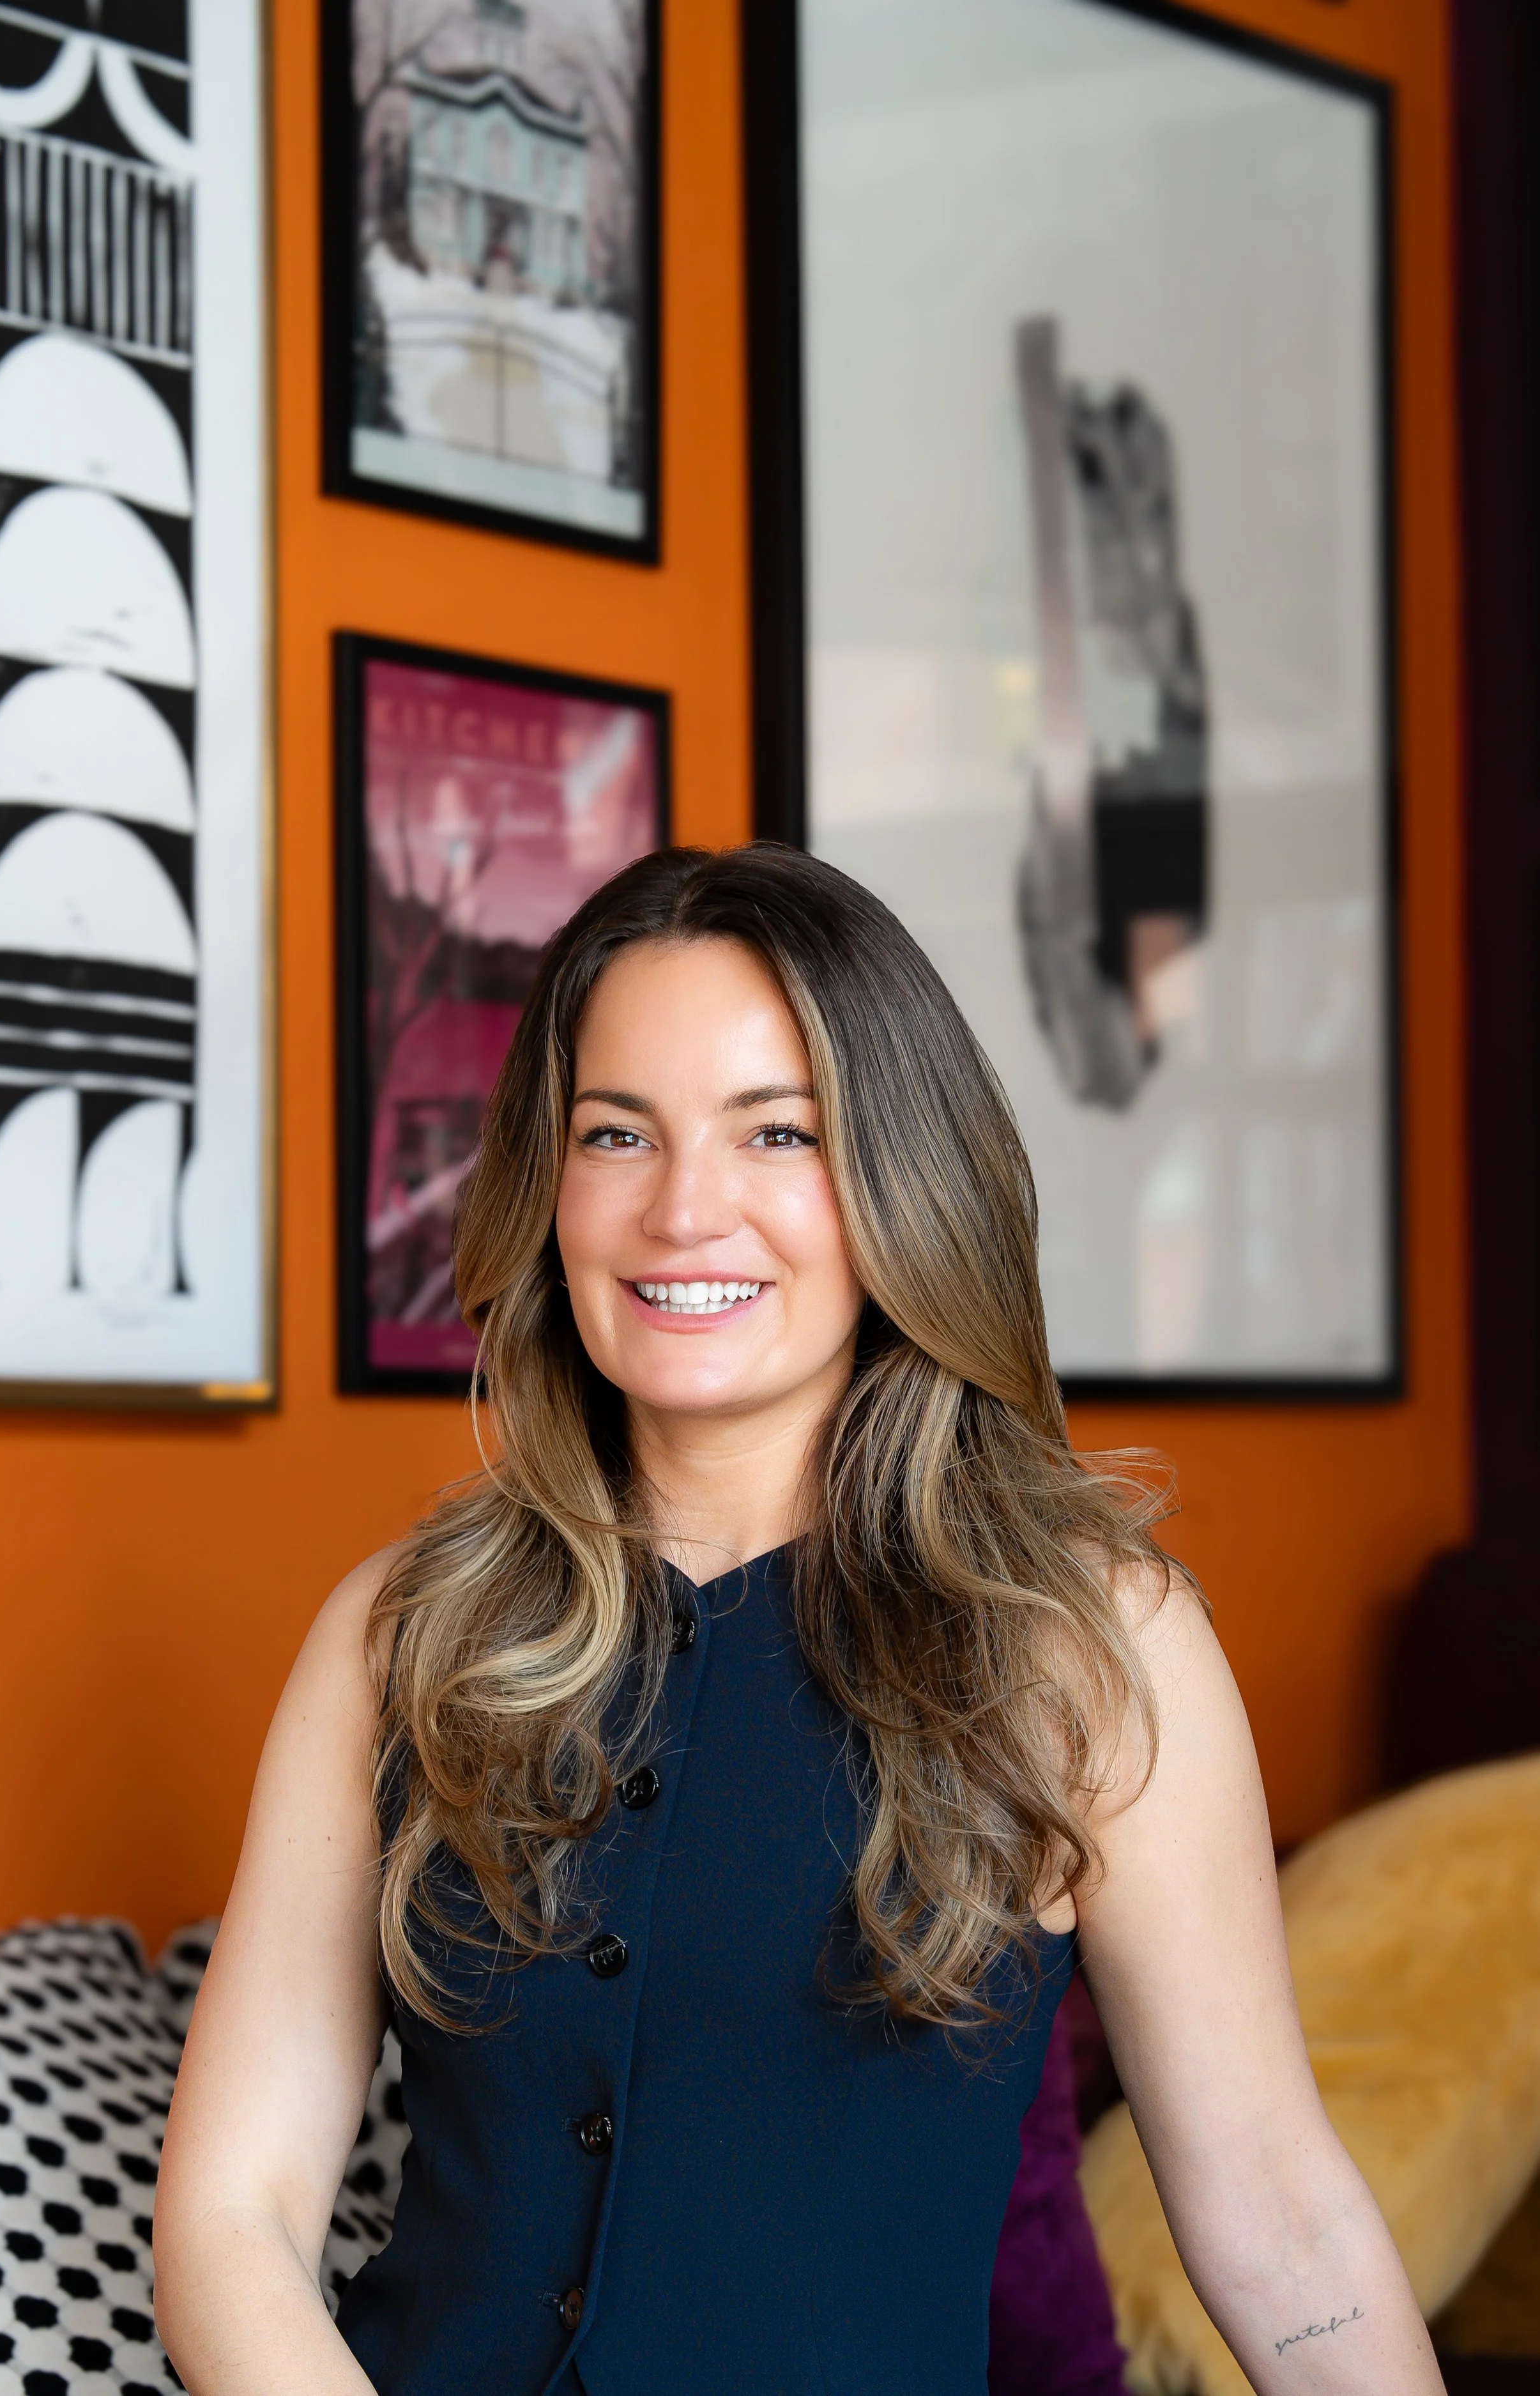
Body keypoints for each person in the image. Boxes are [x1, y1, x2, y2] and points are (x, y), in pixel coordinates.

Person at [153, 844, 1444, 2396]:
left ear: (902, 1180)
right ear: (547, 1187)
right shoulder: (398, 1636)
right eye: (616, 1134)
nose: (682, 1209)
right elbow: (232, 2216)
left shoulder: (1086, 1646)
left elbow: (1278, 2216)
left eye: (778, 1133)